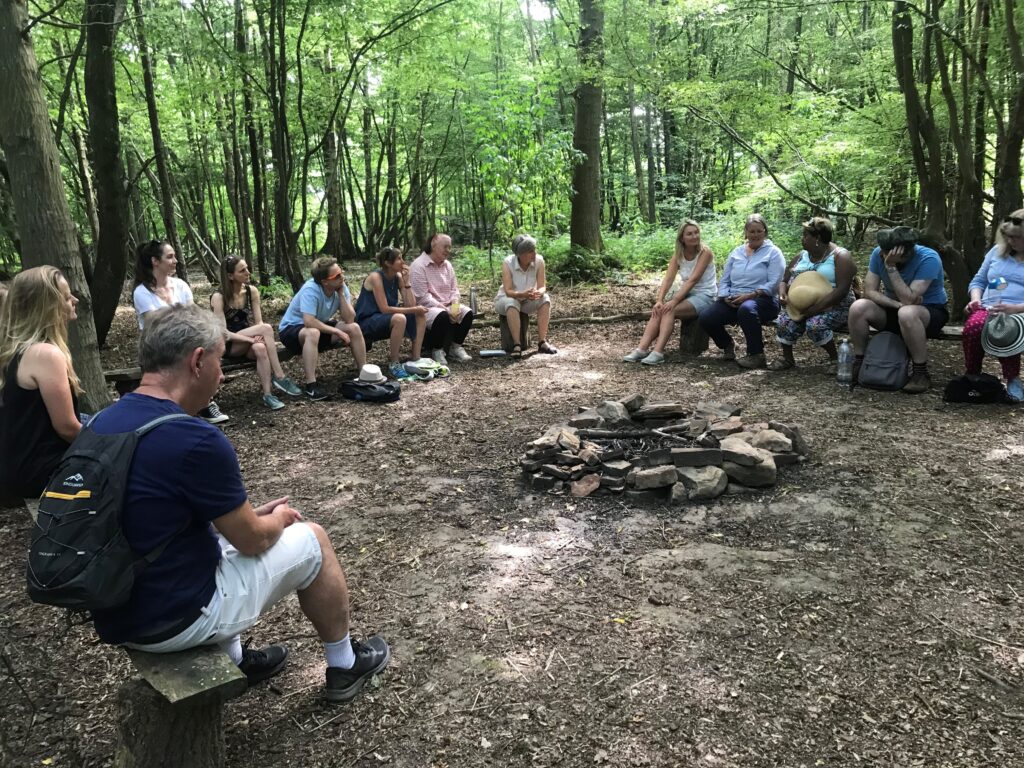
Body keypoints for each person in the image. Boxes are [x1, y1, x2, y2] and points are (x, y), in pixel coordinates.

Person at [88, 304, 390, 701]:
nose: (221, 378)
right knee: (313, 539)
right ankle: (345, 663)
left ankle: (236, 657)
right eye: (218, 360)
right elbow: (252, 541)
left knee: (215, 541)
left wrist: (241, 518)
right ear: (197, 361)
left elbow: (152, 513)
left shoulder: (99, 424)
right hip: (174, 618)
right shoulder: (195, 438)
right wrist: (278, 519)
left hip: (117, 612)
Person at [0, 266, 83, 503]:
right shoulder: (45, 354)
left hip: (13, 468)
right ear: (47, 307)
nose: (75, 300)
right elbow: (66, 428)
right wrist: (107, 446)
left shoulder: (11, 350)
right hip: (40, 473)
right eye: (67, 297)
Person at [133, 239, 228, 424]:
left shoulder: (180, 285)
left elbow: (192, 315)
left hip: (185, 342)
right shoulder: (141, 292)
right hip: (158, 348)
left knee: (206, 348)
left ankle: (205, 402)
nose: (176, 260)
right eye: (170, 257)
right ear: (155, 261)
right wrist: (182, 314)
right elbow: (155, 322)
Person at [848, 226, 949, 394]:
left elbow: (908, 300)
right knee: (858, 307)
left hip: (929, 312)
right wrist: (895, 305)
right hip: (894, 308)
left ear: (904, 252)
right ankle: (861, 363)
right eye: (882, 251)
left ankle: (920, 373)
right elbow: (870, 291)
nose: (882, 255)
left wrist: (891, 267)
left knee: (907, 313)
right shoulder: (878, 253)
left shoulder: (929, 258)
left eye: (887, 252)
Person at [210, 256, 302, 410]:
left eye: (247, 268)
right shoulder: (218, 297)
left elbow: (258, 322)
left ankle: (268, 395)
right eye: (242, 270)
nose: (248, 273)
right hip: (228, 345)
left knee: (260, 348)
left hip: (246, 339)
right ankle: (279, 376)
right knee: (265, 329)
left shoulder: (251, 291)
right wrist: (251, 340)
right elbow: (223, 333)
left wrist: (256, 341)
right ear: (230, 276)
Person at [623, 220, 717, 365]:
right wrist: (659, 300)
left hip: (706, 295)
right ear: (682, 238)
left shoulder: (705, 252)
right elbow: (668, 280)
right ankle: (641, 349)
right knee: (660, 309)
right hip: (688, 294)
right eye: (689, 234)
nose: (694, 236)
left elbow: (693, 280)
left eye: (696, 232)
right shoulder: (678, 255)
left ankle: (658, 352)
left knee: (669, 310)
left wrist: (673, 301)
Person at [769, 217, 857, 370]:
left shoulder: (840, 256)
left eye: (805, 235)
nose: (802, 239)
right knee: (784, 321)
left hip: (835, 305)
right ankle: (787, 359)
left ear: (817, 238)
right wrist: (783, 293)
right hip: (801, 305)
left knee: (815, 324)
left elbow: (842, 290)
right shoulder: (801, 256)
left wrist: (815, 310)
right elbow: (784, 280)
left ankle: (835, 359)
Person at [698, 214, 785, 368]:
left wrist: (751, 295)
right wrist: (725, 297)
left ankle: (756, 355)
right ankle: (727, 345)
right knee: (706, 317)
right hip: (734, 299)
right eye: (752, 231)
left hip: (763, 299)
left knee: (747, 309)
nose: (756, 235)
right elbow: (724, 279)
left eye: (759, 231)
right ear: (746, 233)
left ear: (765, 232)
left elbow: (774, 283)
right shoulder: (736, 252)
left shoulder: (773, 253)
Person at [278, 257, 367, 401]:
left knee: (354, 328)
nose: (342, 277)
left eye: (341, 272)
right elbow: (309, 321)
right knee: (313, 332)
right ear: (325, 281)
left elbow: (350, 318)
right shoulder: (310, 290)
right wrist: (337, 331)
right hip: (292, 329)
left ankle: (365, 373)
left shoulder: (340, 287)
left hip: (319, 326)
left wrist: (341, 295)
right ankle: (311, 386)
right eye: (337, 276)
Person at [962, 211, 1024, 401]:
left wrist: (1015, 309)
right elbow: (979, 281)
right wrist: (975, 299)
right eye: (1008, 236)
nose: (1011, 241)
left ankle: (1012, 378)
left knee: (1007, 328)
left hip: (1019, 311)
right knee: (974, 328)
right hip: (989, 307)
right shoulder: (996, 252)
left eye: (1016, 237)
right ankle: (973, 376)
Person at [354, 247, 427, 380]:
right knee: (400, 318)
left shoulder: (398, 276)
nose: (403, 261)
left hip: (385, 318)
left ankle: (416, 358)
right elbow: (385, 309)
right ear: (388, 263)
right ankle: (394, 363)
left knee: (419, 315)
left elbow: (410, 305)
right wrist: (414, 309)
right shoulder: (376, 277)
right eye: (399, 258)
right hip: (367, 321)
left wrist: (407, 282)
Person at [410, 233, 474, 365]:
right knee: (443, 315)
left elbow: (454, 289)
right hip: (427, 308)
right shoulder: (419, 266)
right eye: (445, 246)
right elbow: (422, 297)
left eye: (450, 247)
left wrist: (455, 307)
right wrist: (446, 309)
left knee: (467, 313)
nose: (448, 251)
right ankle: (437, 350)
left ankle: (455, 347)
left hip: (448, 305)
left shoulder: (447, 265)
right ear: (433, 244)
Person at [495, 235, 557, 357]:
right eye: (530, 251)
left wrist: (539, 292)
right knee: (512, 303)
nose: (534, 253)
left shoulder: (539, 261)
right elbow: (508, 291)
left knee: (545, 299)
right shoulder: (508, 263)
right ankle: (517, 345)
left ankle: (542, 341)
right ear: (520, 254)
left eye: (534, 250)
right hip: (507, 299)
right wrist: (522, 294)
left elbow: (542, 286)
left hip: (528, 300)